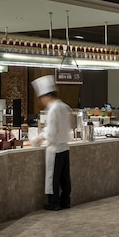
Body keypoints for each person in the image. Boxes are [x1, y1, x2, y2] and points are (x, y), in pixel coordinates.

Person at [31, 75, 72, 211]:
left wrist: (40, 137)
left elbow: (51, 132)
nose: (42, 101)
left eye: (42, 97)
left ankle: (53, 203)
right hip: (65, 148)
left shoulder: (53, 109)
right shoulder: (64, 106)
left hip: (55, 149)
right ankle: (65, 201)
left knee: (53, 177)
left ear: (47, 96)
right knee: (64, 178)